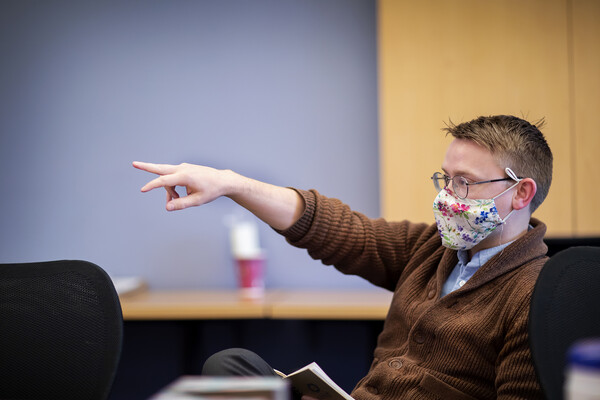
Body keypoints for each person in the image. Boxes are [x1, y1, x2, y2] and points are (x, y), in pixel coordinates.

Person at [133, 114, 553, 399]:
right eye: (446, 178)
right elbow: (337, 229)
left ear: (521, 192)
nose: (447, 195)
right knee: (231, 366)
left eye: (466, 182)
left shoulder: (538, 297)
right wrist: (232, 185)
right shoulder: (431, 250)